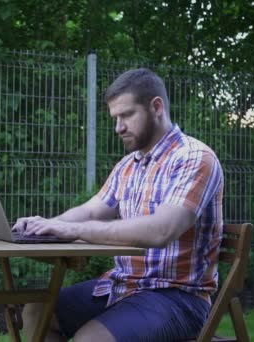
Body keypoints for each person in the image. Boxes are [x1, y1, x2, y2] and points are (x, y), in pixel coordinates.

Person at [13, 68, 224, 342]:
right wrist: (48, 225)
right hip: (122, 285)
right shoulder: (129, 165)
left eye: (126, 115)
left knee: (90, 339)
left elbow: (161, 230)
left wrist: (76, 231)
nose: (118, 127)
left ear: (156, 107)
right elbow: (91, 210)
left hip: (177, 296)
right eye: (115, 118)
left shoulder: (194, 159)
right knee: (36, 311)